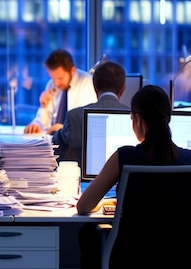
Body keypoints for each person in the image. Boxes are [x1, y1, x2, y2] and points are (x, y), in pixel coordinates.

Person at [76, 85, 191, 268]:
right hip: (179, 256)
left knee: (87, 232)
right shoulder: (189, 160)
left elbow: (83, 206)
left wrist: (115, 202)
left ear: (136, 118)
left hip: (131, 258)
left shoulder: (125, 156)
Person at [52, 61, 129, 166]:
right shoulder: (135, 118)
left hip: (84, 182)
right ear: (123, 90)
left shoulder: (74, 116)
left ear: (95, 87)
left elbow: (54, 150)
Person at [24, 49, 97, 135]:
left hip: (74, 143)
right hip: (53, 141)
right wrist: (37, 124)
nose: (56, 83)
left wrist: (63, 128)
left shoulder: (87, 83)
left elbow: (88, 123)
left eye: (60, 78)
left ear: (72, 70)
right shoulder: (52, 84)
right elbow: (44, 122)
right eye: (53, 78)